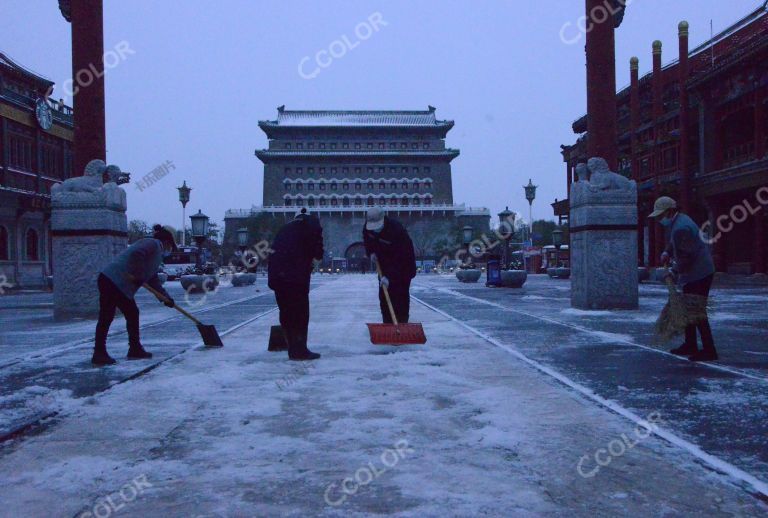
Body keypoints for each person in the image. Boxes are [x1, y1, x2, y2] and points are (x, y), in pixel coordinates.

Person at [93, 225, 177, 366]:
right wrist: (138, 274)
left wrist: (166, 298)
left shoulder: (156, 255)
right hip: (112, 280)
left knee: (131, 313)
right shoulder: (152, 243)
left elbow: (152, 279)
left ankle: (134, 348)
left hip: (117, 283)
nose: (170, 249)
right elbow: (137, 254)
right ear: (167, 241)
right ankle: (100, 352)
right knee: (107, 316)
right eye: (171, 245)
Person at [649, 196, 717, 362]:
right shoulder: (679, 221)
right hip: (695, 273)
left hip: (699, 273)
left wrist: (673, 271)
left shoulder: (681, 227)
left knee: (697, 311)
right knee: (687, 310)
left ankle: (709, 350)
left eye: (660, 215)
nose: (659, 219)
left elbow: (687, 256)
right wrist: (667, 252)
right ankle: (690, 344)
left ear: (670, 211)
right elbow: (675, 243)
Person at [268, 208, 324, 361]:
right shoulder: (311, 224)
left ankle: (292, 348)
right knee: (300, 313)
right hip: (295, 278)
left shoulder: (284, 229)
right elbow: (318, 251)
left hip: (277, 277)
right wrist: (314, 257)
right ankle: (300, 351)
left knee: (286, 312)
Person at [363, 207, 417, 324]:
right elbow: (367, 241)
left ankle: (402, 324)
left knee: (400, 296)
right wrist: (370, 252)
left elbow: (401, 258)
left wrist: (389, 277)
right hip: (383, 264)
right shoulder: (368, 228)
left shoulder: (396, 231)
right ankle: (387, 324)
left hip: (403, 267)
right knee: (384, 296)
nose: (375, 229)